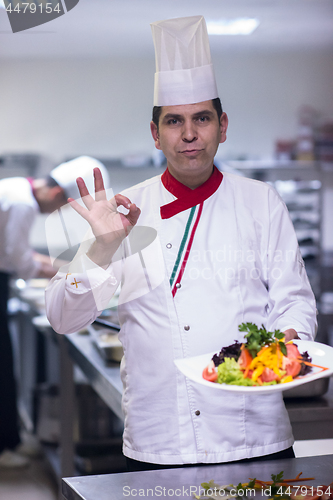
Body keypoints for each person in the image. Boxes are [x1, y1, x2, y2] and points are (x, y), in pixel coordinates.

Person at [45, 16, 317, 471]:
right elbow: (61, 317)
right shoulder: (123, 211)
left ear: (222, 126)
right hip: (159, 442)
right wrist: (102, 248)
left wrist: (282, 344)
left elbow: (296, 303)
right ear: (155, 134)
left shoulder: (261, 202)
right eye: (174, 121)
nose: (189, 134)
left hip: (254, 435)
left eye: (201, 119)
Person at [0, 155, 109, 468]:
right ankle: (5, 446)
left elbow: (20, 257)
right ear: (58, 194)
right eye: (62, 206)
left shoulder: (16, 191)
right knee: (2, 365)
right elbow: (22, 263)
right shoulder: (22, 204)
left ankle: (10, 440)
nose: (56, 212)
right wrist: (69, 272)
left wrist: (65, 268)